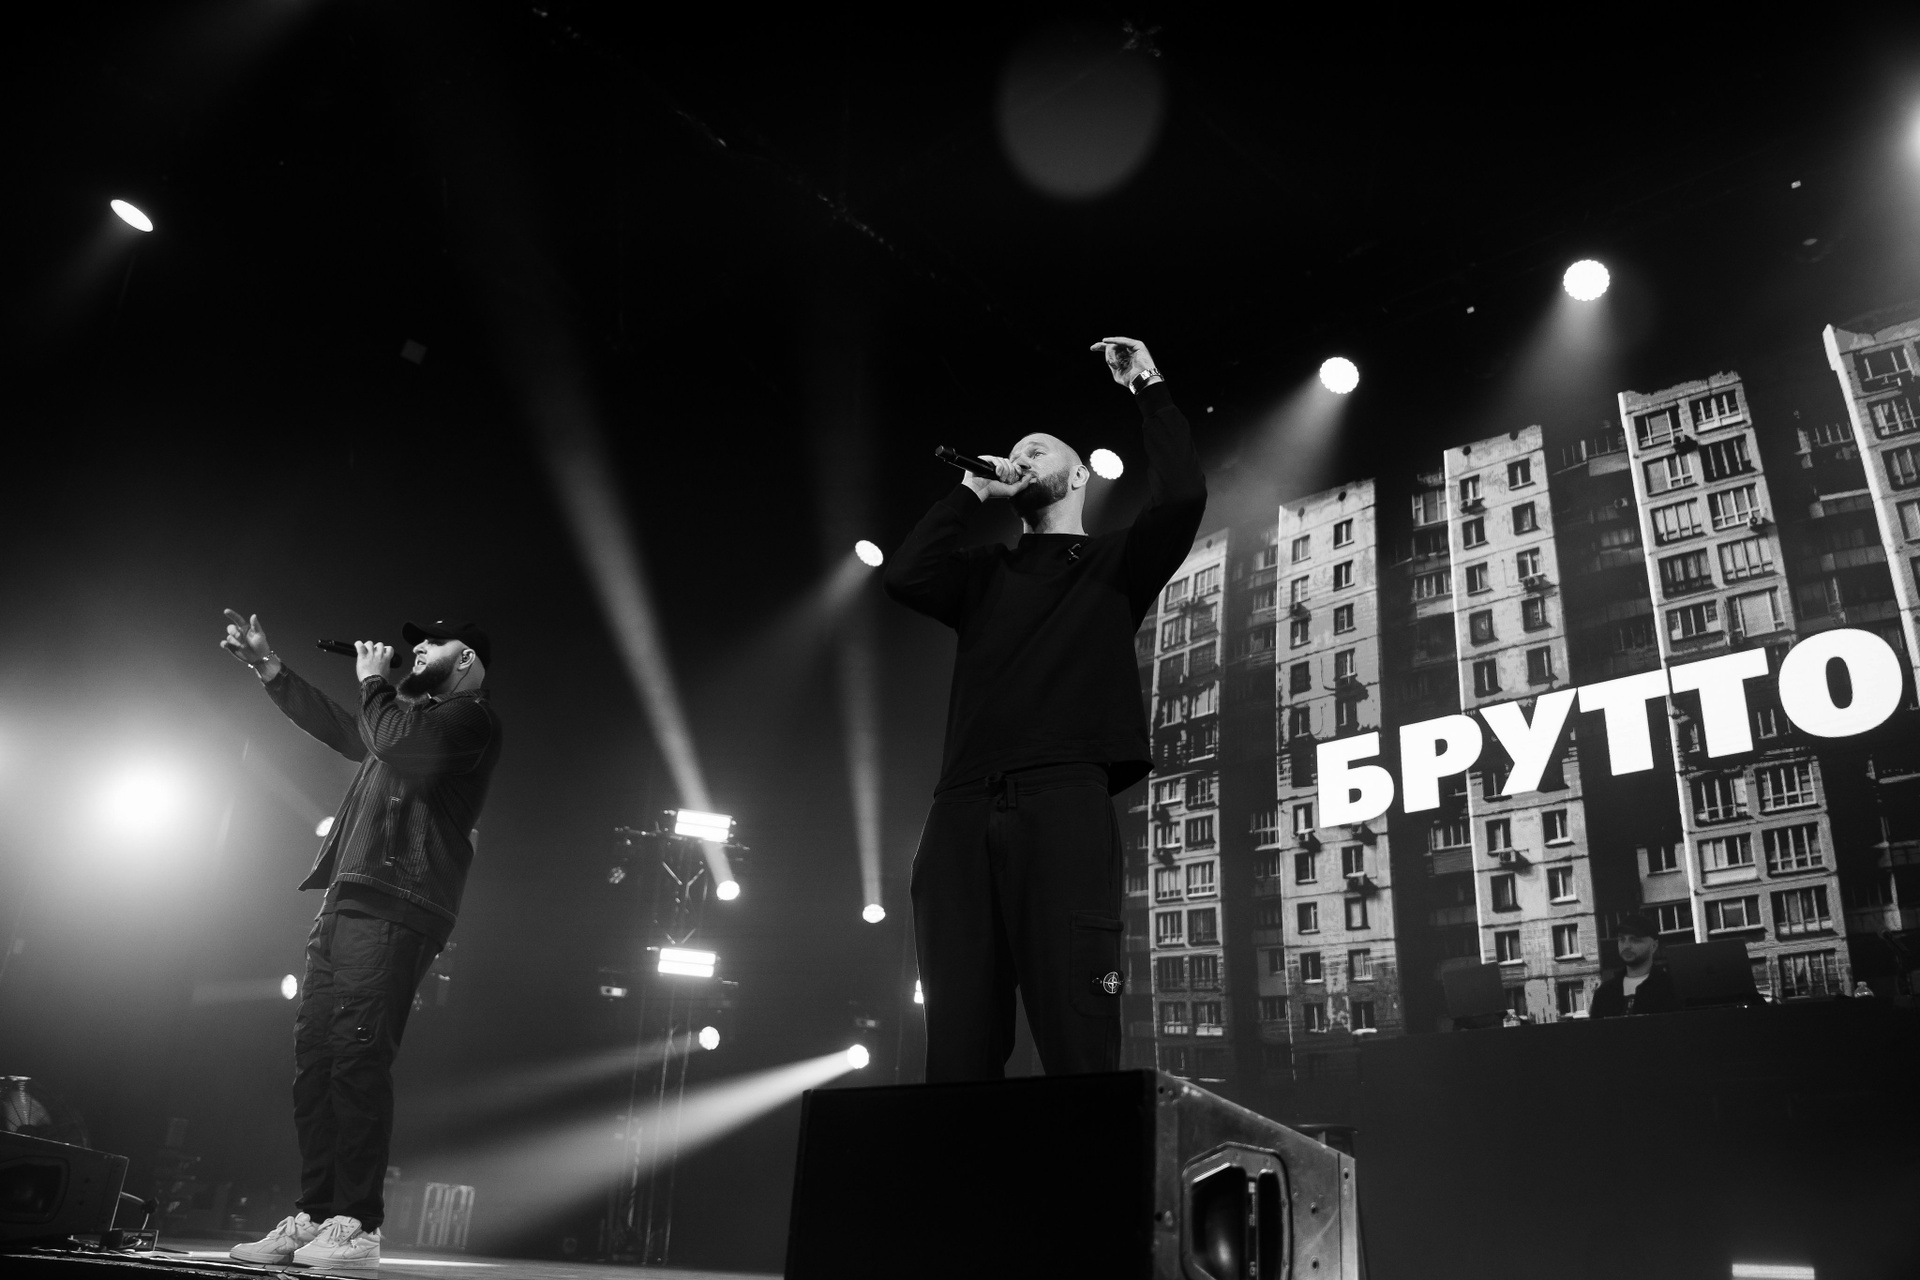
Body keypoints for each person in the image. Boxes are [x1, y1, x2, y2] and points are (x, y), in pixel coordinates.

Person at [883, 336, 1206, 1081]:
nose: (1021, 458)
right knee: (958, 1038)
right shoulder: (984, 573)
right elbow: (905, 576)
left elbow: (1183, 496)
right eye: (1015, 452)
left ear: (1080, 473)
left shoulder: (1116, 562)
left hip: (1062, 797)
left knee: (1076, 1027)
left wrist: (1149, 386)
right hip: (961, 808)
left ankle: (1087, 1155)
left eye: (1038, 449)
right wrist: (972, 490)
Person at [220, 611, 503, 1268]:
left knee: (356, 1058)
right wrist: (270, 669)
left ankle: (358, 1224)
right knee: (316, 1060)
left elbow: (393, 742)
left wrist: (374, 682)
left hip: (399, 902)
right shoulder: (403, 718)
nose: (417, 648)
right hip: (347, 899)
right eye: (414, 642)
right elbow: (347, 729)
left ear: (465, 659)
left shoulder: (471, 721)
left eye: (432, 642)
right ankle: (316, 1213)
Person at [1589, 913, 1680, 1019]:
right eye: (1622, 939)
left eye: (1635, 940)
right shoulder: (1605, 993)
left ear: (1654, 946)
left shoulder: (1670, 988)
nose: (1626, 946)